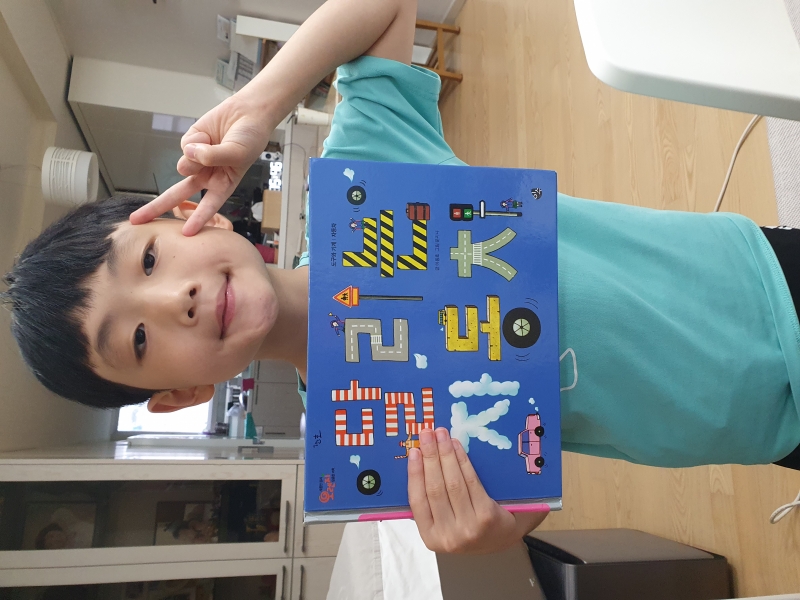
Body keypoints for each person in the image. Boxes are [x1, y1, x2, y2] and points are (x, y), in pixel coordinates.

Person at [3, 0, 800, 562]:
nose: (170, 301)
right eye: (139, 340)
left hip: (752, 275)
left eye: (147, 261)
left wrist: (258, 105)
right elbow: (520, 481)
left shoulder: (365, 175)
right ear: (180, 397)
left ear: (197, 216)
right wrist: (493, 529)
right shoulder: (369, 445)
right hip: (756, 424)